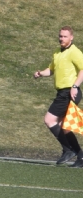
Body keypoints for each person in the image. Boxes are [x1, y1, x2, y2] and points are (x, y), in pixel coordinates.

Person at [32, 26, 83, 165]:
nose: (62, 39)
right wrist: (40, 73)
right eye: (60, 36)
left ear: (71, 37)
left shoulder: (74, 52)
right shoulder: (57, 52)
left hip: (69, 92)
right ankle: (80, 156)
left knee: (49, 120)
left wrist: (75, 86)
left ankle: (68, 150)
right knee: (64, 126)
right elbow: (51, 69)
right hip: (62, 92)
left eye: (65, 36)